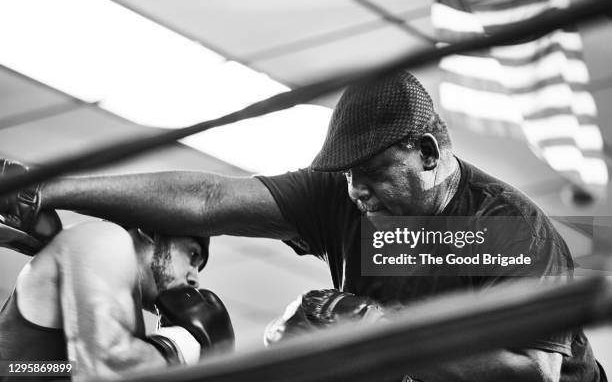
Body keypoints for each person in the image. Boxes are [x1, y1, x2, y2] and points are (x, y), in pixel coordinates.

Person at [0, 70, 606, 381]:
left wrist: (374, 328)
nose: (354, 191)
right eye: (343, 176)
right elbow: (210, 198)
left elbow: (536, 376)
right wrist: (40, 187)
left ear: (426, 151)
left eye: (369, 173)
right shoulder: (100, 243)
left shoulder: (506, 230)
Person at [0, 221, 234, 381]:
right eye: (193, 256)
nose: (195, 279)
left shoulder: (123, 327)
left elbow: (64, 369)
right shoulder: (104, 238)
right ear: (150, 231)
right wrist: (181, 346)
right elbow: (105, 370)